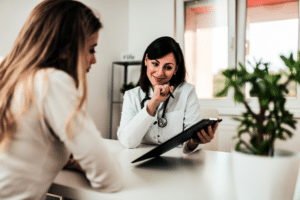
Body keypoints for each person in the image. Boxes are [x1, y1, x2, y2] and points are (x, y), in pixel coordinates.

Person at [0, 0, 122, 199]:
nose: (94, 60)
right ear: (66, 48)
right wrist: (83, 164)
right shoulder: (51, 82)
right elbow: (109, 177)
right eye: (91, 49)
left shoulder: (6, 71)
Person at [117, 36, 219, 153]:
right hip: (139, 158)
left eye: (168, 67)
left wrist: (194, 141)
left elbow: (189, 142)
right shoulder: (132, 96)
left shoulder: (187, 92)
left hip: (178, 162)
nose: (160, 73)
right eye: (155, 64)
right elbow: (128, 142)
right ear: (146, 60)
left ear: (176, 69)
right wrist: (152, 104)